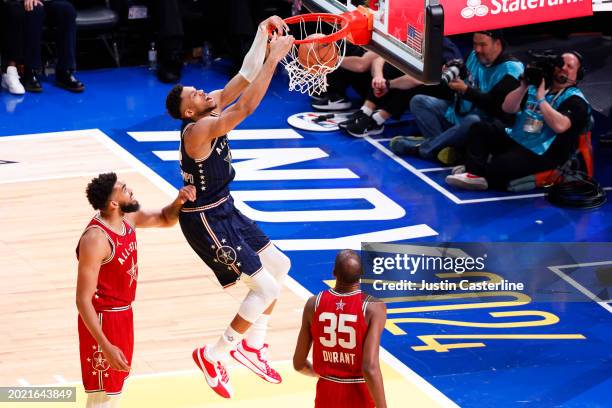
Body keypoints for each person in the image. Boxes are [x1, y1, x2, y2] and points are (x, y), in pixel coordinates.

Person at [163, 16, 293, 399]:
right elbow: (248, 106)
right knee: (264, 288)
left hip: (225, 206)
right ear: (189, 112)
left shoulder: (208, 108)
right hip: (204, 219)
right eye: (196, 95)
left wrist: (261, 34)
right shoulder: (198, 129)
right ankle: (215, 354)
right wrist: (277, 58)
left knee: (280, 266)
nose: (205, 92)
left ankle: (254, 346)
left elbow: (243, 77)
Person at [76, 172, 196, 407]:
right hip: (104, 318)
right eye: (124, 190)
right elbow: (82, 300)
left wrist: (178, 201)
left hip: (124, 314)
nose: (130, 191)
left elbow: (165, 218)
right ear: (113, 203)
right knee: (102, 396)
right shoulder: (96, 239)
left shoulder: (127, 218)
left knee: (115, 392)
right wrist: (106, 346)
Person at [446, 51, 591, 190]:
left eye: (569, 66)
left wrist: (541, 99)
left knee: (501, 164)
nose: (563, 68)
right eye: (561, 64)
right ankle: (473, 172)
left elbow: (560, 126)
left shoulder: (576, 100)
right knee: (480, 129)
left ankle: (483, 175)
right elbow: (508, 108)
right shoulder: (540, 86)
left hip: (543, 152)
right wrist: (523, 86)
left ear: (578, 74)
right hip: (519, 137)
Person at [391, 30, 523, 165]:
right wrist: (452, 74)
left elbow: (498, 108)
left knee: (473, 121)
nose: (477, 49)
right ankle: (442, 147)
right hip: (457, 112)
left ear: (497, 44)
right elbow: (465, 78)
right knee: (419, 101)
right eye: (475, 44)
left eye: (483, 45)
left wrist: (466, 91)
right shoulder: (474, 55)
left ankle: (424, 148)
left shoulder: (511, 69)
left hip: (481, 125)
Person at [293, 250, 387, 408]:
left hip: (326, 393)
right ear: (362, 274)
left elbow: (298, 363)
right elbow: (370, 367)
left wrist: (322, 374)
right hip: (358, 394)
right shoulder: (373, 308)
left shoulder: (313, 303)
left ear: (334, 272)